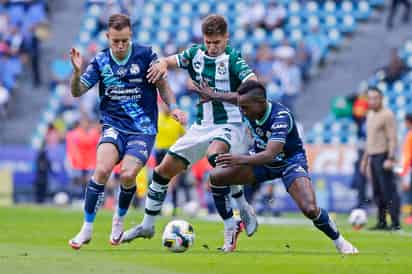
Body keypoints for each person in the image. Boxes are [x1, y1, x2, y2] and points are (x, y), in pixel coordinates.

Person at [121, 14, 258, 252]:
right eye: (209, 42)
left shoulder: (234, 60)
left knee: (217, 158)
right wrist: (162, 64)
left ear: (226, 37)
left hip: (231, 126)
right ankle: (147, 226)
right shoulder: (195, 54)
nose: (212, 47)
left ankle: (232, 221)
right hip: (201, 126)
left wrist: (219, 95)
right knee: (162, 172)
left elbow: (255, 88)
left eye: (217, 42)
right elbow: (169, 61)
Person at [68, 13, 186, 249]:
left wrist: (173, 107)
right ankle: (86, 228)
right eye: (115, 41)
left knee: (127, 175)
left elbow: (163, 85)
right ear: (107, 37)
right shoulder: (101, 61)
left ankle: (118, 221)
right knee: (101, 170)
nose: (120, 46)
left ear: (130, 35)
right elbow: (77, 92)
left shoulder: (145, 55)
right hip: (113, 126)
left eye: (124, 40)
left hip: (142, 129)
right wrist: (77, 72)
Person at [209, 80, 358, 254]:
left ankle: (339, 241)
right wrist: (212, 95)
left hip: (289, 162)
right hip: (261, 160)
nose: (242, 111)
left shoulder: (280, 116)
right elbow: (235, 98)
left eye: (245, 108)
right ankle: (234, 222)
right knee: (216, 176)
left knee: (310, 209)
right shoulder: (249, 103)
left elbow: (270, 154)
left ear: (261, 103)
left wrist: (239, 159)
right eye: (240, 107)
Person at [361, 87, 401, 230]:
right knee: (377, 192)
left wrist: (391, 158)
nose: (372, 101)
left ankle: (395, 222)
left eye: (375, 98)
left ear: (381, 99)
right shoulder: (370, 114)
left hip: (383, 156)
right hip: (372, 156)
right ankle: (381, 222)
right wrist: (364, 160)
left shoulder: (387, 114)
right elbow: (369, 139)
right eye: (370, 98)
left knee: (388, 190)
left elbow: (392, 138)